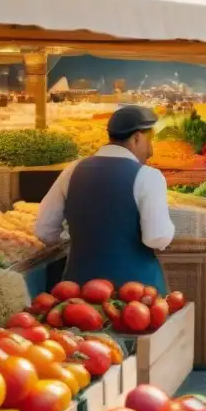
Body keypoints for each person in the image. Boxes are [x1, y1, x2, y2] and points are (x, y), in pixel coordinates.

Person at [35, 105, 174, 290]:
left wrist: (83, 239)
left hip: (78, 290)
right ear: (136, 138)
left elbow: (44, 229)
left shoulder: (72, 170)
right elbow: (156, 237)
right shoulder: (149, 176)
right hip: (135, 295)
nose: (150, 151)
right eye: (150, 141)